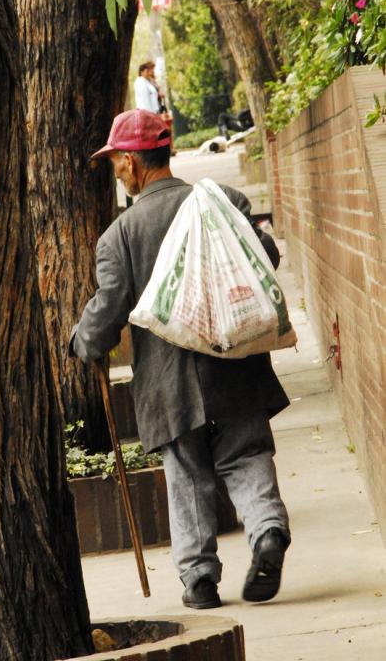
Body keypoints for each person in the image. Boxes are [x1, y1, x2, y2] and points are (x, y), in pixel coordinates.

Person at [70, 108, 290, 609]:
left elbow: (107, 312)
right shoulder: (221, 202)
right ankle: (268, 532)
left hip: (170, 385)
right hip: (234, 364)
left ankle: (199, 581)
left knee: (187, 474)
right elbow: (266, 259)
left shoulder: (120, 236)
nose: (116, 170)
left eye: (115, 162)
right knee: (247, 455)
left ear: (130, 162)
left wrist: (82, 341)